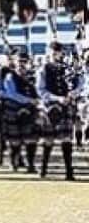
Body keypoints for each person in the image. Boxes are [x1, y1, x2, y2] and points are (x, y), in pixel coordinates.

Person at [35, 42, 76, 180]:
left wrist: (73, 94)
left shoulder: (68, 68)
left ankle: (69, 172)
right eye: (52, 52)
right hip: (50, 107)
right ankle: (43, 169)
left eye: (57, 52)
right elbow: (40, 90)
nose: (54, 55)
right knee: (48, 140)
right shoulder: (43, 69)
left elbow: (79, 83)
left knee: (67, 139)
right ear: (48, 52)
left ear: (61, 53)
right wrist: (57, 98)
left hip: (66, 106)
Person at [0, 51, 39, 173]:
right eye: (20, 61)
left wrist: (35, 101)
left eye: (24, 62)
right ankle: (14, 163)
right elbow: (12, 94)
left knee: (31, 139)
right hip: (13, 109)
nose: (22, 64)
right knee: (14, 139)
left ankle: (31, 165)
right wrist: (29, 100)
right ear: (15, 62)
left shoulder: (32, 77)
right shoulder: (9, 76)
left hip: (29, 110)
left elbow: (37, 92)